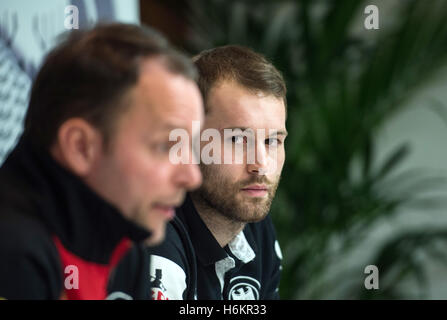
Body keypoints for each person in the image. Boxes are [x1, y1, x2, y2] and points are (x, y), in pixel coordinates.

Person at [0, 23, 203, 300]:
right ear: (81, 147)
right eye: (166, 146)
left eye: (190, 147)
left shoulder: (127, 241)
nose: (192, 177)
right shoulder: (13, 253)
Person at [148, 45, 287, 300]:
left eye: (272, 141)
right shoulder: (158, 234)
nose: (261, 164)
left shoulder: (254, 224)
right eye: (237, 139)